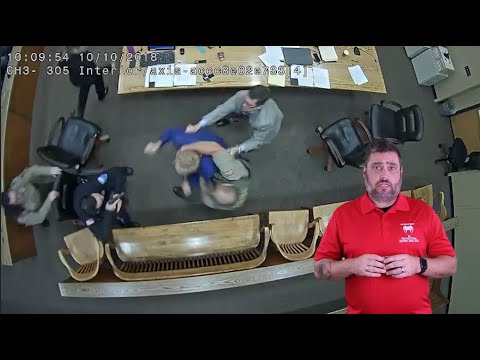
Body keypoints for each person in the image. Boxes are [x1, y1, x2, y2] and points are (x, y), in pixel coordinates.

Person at [313, 139, 457, 314]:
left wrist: (418, 265)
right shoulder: (343, 215)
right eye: (377, 167)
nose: (384, 175)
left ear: (400, 173)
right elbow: (320, 270)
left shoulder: (423, 212)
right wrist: (352, 266)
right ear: (365, 173)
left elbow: (450, 265)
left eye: (391, 167)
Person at [185, 85, 284, 156]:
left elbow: (257, 139)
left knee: (260, 141)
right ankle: (231, 119)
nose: (244, 105)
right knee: (235, 111)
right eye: (245, 101)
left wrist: (238, 148)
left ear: (259, 107)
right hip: (252, 113)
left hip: (266, 125)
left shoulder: (266, 122)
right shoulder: (242, 95)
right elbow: (222, 109)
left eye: (248, 105)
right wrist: (199, 125)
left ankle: (244, 148)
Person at [144, 126, 229, 199]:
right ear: (179, 154)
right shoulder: (180, 138)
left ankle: (189, 186)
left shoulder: (209, 167)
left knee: (197, 181)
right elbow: (171, 131)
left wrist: (189, 182)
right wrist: (158, 143)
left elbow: (203, 177)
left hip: (219, 146)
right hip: (200, 137)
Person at [178, 140, 251, 210]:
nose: (212, 192)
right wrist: (185, 148)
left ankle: (189, 188)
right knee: (203, 163)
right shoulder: (230, 171)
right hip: (220, 156)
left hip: (220, 177)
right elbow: (215, 148)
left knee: (194, 185)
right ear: (228, 187)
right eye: (214, 192)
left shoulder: (217, 198)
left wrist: (186, 180)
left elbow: (206, 191)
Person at [73, 167, 138, 242]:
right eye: (101, 199)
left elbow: (116, 171)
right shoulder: (86, 217)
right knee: (115, 216)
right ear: (97, 211)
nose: (102, 197)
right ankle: (127, 223)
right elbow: (103, 235)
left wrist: (117, 193)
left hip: (101, 189)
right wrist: (108, 211)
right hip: (102, 209)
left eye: (99, 196)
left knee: (117, 180)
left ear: (91, 194)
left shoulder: (92, 186)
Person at [58, 46, 110, 119]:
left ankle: (80, 112)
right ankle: (101, 94)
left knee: (83, 95)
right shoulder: (85, 59)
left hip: (76, 80)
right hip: (89, 78)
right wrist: (107, 67)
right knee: (98, 79)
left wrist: (60, 58)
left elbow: (61, 65)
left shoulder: (67, 59)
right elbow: (93, 70)